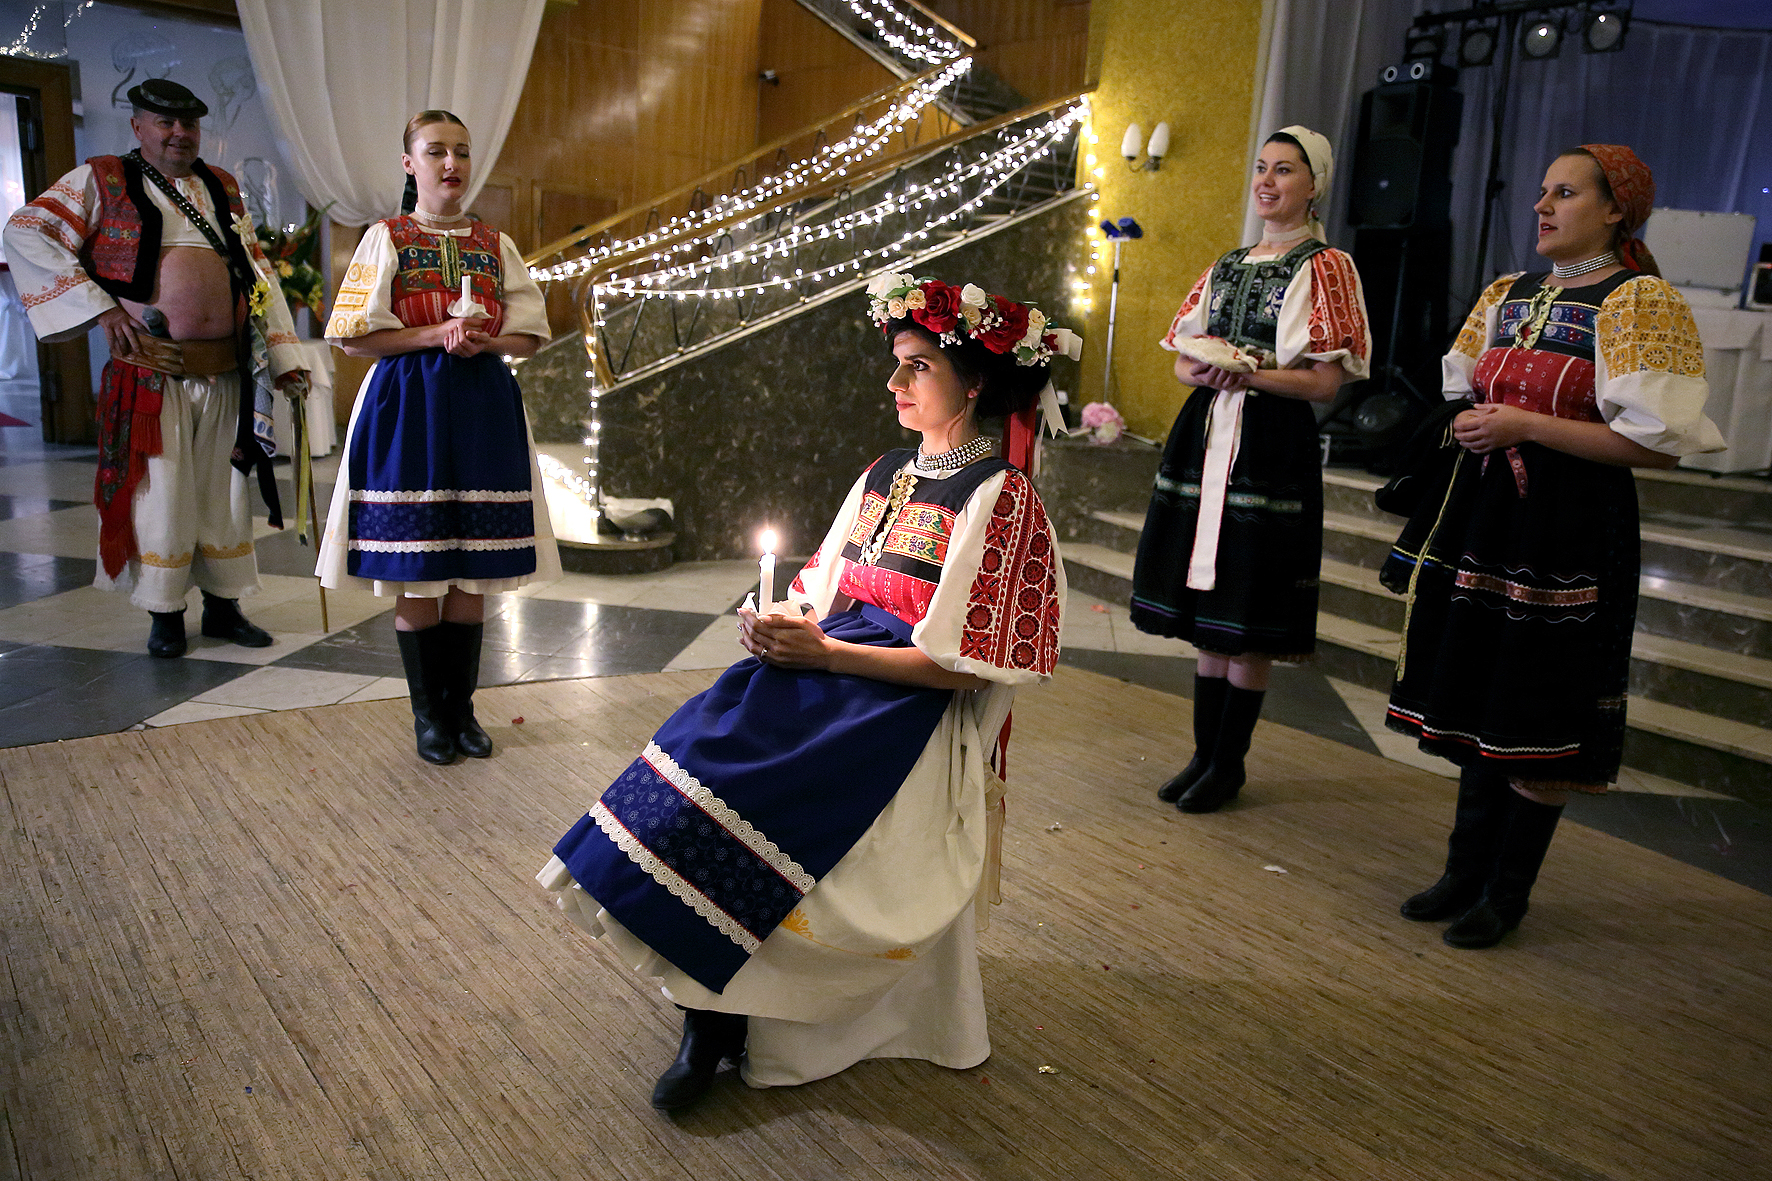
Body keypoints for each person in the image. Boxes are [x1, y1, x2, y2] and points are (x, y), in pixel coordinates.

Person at [536, 274, 1071, 1111]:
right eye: (896, 363)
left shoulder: (1001, 499)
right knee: (698, 743)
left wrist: (825, 655)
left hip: (899, 703)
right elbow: (823, 587)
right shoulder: (884, 473)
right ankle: (702, 994)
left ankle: (715, 1017)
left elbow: (966, 665)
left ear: (974, 383)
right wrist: (784, 621)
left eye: (918, 366)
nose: (894, 383)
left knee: (757, 785)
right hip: (829, 670)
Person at [1385, 145, 1724, 949]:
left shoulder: (1638, 302)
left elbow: (1657, 448)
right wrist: (1475, 423)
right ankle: (1463, 870)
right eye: (1542, 192)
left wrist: (1525, 425)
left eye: (1564, 193)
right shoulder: (1508, 293)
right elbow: (1469, 390)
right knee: (1483, 690)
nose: (1541, 206)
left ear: (1614, 210)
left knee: (1541, 699)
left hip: (1571, 524)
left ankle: (1506, 893)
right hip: (1490, 516)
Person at [2, 79, 308, 657]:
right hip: (150, 373)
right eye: (165, 122)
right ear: (138, 126)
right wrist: (100, 307)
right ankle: (164, 612)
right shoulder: (101, 178)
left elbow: (256, 270)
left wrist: (284, 356)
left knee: (224, 494)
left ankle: (224, 608)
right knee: (162, 494)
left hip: (226, 371)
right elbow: (26, 231)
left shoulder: (222, 185)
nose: (179, 133)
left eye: (189, 123)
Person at [1129, 126, 1371, 813]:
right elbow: (1183, 358)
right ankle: (1203, 755)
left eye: (1285, 170)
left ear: (1314, 185)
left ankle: (1228, 763)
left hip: (1268, 441)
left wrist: (1252, 373)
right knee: (1210, 611)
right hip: (1208, 430)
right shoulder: (1230, 263)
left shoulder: (1328, 266)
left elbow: (1324, 383)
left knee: (1247, 601)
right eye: (1262, 168)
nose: (1267, 181)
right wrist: (1206, 370)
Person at [319, 110, 559, 765]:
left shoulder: (495, 243)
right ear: (410, 163)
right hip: (408, 406)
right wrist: (434, 334)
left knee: (472, 573)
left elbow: (531, 335)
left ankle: (463, 710)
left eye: (461, 151)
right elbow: (352, 337)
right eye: (435, 152)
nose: (451, 164)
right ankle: (429, 719)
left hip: (482, 406)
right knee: (419, 570)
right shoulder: (385, 238)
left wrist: (487, 341)